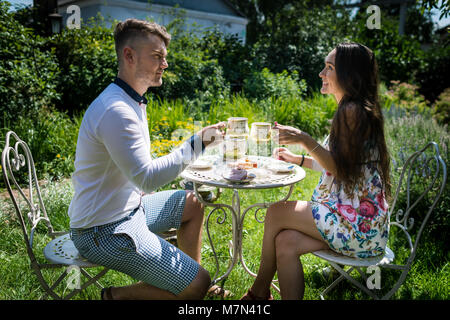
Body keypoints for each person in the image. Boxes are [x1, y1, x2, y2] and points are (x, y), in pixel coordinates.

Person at [68, 18, 226, 300]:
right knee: (198, 284)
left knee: (192, 203)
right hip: (102, 231)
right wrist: (198, 142)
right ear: (129, 55)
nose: (164, 64)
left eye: (164, 57)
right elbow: (147, 178)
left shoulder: (131, 101)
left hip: (131, 210)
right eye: (157, 57)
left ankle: (189, 280)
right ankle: (117, 296)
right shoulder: (116, 110)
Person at [241, 42, 391, 300]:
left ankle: (258, 294)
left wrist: (304, 139)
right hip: (367, 230)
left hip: (356, 226)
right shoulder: (354, 108)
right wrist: (298, 158)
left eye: (329, 68)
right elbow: (339, 165)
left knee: (276, 213)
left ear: (349, 75)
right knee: (285, 242)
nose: (321, 73)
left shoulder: (352, 112)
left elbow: (340, 170)